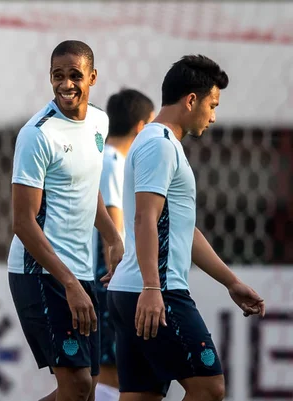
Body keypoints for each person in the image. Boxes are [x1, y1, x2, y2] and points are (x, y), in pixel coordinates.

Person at [107, 55, 266, 401]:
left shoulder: (160, 143)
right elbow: (144, 218)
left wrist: (231, 282)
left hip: (133, 291)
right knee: (209, 388)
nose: (213, 116)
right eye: (212, 104)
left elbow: (183, 229)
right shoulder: (159, 145)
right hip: (156, 292)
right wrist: (152, 287)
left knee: (141, 397)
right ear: (191, 100)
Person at [8, 40, 125, 401]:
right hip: (40, 273)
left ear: (92, 77)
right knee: (75, 386)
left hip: (81, 275)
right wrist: (70, 284)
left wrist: (113, 237)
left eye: (75, 75)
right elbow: (23, 223)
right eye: (58, 76)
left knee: (86, 390)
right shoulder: (38, 134)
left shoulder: (99, 122)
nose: (66, 84)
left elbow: (86, 190)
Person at [93, 89, 155, 401]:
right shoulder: (112, 162)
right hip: (110, 280)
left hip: (110, 282)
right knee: (109, 374)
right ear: (141, 127)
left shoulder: (110, 160)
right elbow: (112, 232)